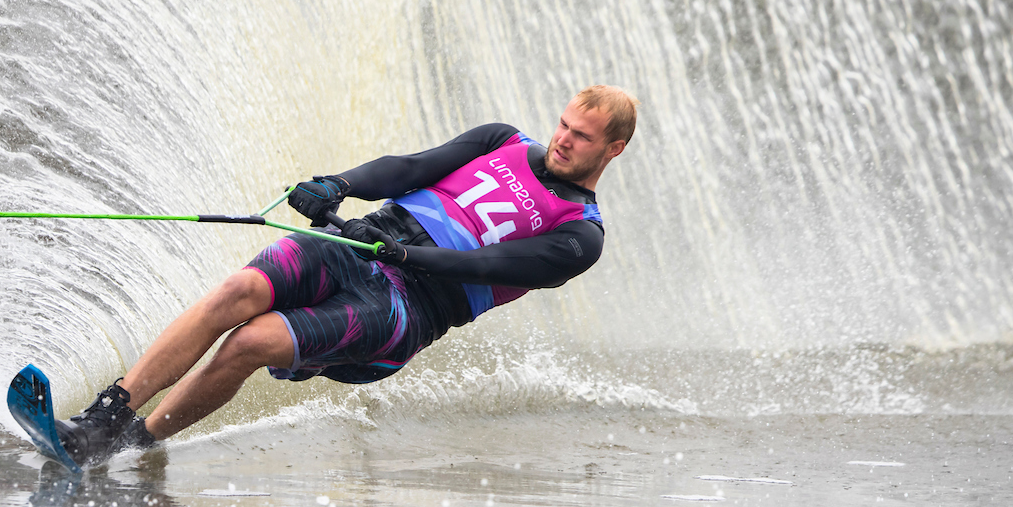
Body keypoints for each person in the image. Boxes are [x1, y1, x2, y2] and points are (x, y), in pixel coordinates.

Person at [55, 85, 639, 466]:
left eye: (581, 137)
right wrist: (339, 185)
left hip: (411, 309)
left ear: (611, 150)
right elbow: (412, 168)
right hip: (362, 242)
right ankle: (103, 419)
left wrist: (398, 256)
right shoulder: (502, 140)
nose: (562, 139)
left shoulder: (580, 235)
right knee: (240, 291)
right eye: (563, 123)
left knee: (253, 340)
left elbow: (485, 264)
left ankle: (136, 443)